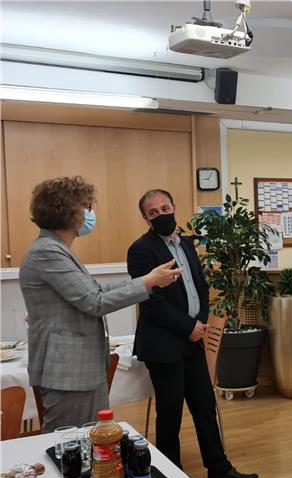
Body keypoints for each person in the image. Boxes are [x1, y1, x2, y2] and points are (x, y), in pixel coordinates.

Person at [20, 176, 180, 432]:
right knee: (71, 447)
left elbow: (93, 291)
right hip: (68, 371)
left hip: (80, 370)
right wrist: (148, 282)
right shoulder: (47, 252)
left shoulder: (58, 249)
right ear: (68, 211)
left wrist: (148, 281)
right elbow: (94, 301)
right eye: (85, 207)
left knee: (91, 443)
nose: (89, 214)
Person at [128, 189, 258, 478]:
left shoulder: (186, 244)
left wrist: (199, 323)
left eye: (165, 208)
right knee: (170, 414)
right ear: (146, 218)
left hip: (192, 339)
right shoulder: (141, 250)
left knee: (204, 406)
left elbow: (199, 287)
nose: (162, 215)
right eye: (153, 213)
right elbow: (151, 302)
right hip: (164, 344)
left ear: (175, 206)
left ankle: (219, 469)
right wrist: (189, 326)